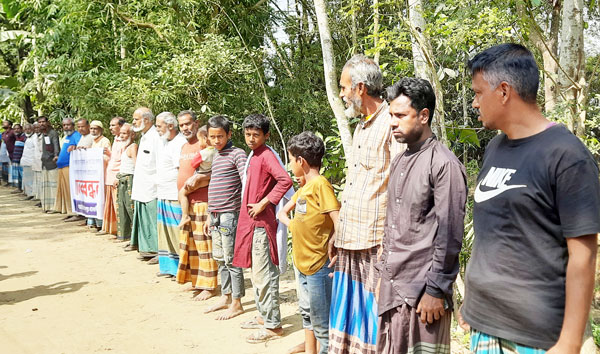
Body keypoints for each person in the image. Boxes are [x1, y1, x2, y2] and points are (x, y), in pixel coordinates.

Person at [459, 43, 600, 354]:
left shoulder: (566, 156)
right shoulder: (496, 148)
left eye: (479, 92)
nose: (474, 102)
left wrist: (570, 342)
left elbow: (584, 257)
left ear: (504, 92)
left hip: (536, 338)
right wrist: (473, 303)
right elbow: (494, 233)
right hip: (486, 325)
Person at [376, 78, 467, 354]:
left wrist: (436, 290)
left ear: (424, 115)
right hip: (393, 291)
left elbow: (450, 235)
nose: (393, 122)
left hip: (423, 297)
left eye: (401, 115)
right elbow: (392, 225)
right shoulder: (399, 160)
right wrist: (382, 272)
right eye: (391, 115)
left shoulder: (444, 164)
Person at [329, 55, 405, 354]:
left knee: (374, 319)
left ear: (360, 88)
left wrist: (392, 241)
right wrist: (339, 231)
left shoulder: (391, 123)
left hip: (375, 242)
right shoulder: (361, 127)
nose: (343, 94)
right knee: (349, 318)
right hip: (351, 238)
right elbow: (357, 184)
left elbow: (400, 185)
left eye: (345, 87)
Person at [277, 131, 340, 354]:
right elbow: (282, 213)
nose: (289, 164)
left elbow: (337, 218)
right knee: (309, 315)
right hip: (301, 264)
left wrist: (334, 238)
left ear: (300, 161)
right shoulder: (304, 189)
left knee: (323, 326)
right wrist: (295, 225)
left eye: (291, 160)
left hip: (319, 266)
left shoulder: (321, 185)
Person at [233, 114, 293, 343]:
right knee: (257, 274)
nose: (250, 138)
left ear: (266, 135)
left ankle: (273, 325)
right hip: (251, 222)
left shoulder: (267, 155)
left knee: (264, 275)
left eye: (255, 135)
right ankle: (263, 315)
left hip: (262, 224)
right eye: (247, 134)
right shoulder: (254, 155)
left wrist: (264, 202)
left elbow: (285, 181)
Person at [201, 115, 247, 320]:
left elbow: (246, 181)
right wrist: (210, 215)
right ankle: (226, 296)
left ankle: (237, 302)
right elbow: (214, 186)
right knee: (220, 259)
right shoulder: (216, 155)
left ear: (229, 134)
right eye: (212, 137)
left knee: (232, 260)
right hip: (216, 215)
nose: (216, 140)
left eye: (220, 136)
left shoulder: (237, 154)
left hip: (231, 215)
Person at [175, 110, 217, 300]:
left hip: (203, 202)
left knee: (205, 246)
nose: (185, 128)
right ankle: (197, 281)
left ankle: (209, 286)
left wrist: (202, 177)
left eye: (188, 123)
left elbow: (218, 172)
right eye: (181, 125)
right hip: (187, 204)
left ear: (196, 123)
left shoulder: (209, 147)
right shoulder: (184, 147)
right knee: (191, 246)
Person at [128, 107, 162, 262]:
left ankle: (158, 251)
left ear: (147, 120)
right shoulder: (144, 137)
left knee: (153, 220)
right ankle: (147, 249)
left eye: (136, 119)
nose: (133, 122)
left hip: (152, 186)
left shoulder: (157, 137)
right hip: (142, 185)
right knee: (144, 219)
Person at [155, 112, 187, 273]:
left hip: (175, 195)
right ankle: (171, 268)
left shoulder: (179, 143)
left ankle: (182, 268)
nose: (157, 129)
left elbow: (181, 170)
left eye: (159, 126)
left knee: (177, 233)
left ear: (170, 126)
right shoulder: (164, 142)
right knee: (166, 233)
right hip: (163, 194)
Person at [177, 126, 215, 229]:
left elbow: (193, 163)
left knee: (182, 193)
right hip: (206, 179)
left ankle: (185, 216)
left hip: (200, 178)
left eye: (199, 140)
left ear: (205, 139)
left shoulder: (203, 153)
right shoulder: (216, 151)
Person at [82, 120, 111, 231]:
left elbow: (108, 157)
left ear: (101, 130)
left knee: (100, 199)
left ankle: (100, 224)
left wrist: (96, 154)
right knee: (92, 197)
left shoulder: (104, 141)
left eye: (96, 128)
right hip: (92, 176)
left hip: (101, 175)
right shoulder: (94, 142)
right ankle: (92, 222)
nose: (93, 131)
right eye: (91, 129)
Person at [99, 117, 126, 236]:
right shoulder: (115, 139)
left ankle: (122, 231)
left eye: (113, 125)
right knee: (110, 205)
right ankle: (111, 229)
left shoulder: (125, 141)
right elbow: (115, 158)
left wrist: (119, 176)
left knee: (118, 205)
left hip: (117, 177)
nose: (110, 128)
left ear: (121, 126)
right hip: (109, 176)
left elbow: (125, 161)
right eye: (110, 125)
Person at [54, 118, 81, 219]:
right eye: (64, 125)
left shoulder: (76, 135)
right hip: (62, 166)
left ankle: (75, 213)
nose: (66, 127)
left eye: (68, 125)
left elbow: (80, 147)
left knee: (71, 190)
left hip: (69, 167)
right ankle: (68, 211)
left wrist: (75, 146)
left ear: (73, 126)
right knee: (65, 191)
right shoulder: (66, 136)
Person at [115, 123, 137, 242]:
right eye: (121, 133)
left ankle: (135, 239)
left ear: (132, 134)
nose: (121, 136)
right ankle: (125, 236)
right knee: (122, 208)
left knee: (131, 208)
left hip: (130, 180)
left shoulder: (133, 147)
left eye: (124, 133)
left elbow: (136, 165)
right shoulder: (125, 147)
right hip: (122, 180)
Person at [39, 116, 60, 213]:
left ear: (48, 122)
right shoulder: (43, 134)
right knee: (46, 186)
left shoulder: (52, 133)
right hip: (44, 163)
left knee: (53, 187)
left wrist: (56, 156)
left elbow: (56, 146)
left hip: (52, 163)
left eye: (43, 122)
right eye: (40, 122)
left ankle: (55, 207)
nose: (41, 124)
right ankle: (47, 206)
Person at [20, 123, 36, 199]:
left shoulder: (34, 137)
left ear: (32, 129)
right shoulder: (27, 138)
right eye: (25, 129)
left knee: (32, 180)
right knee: (27, 179)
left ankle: (33, 194)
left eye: (29, 129)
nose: (27, 130)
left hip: (32, 162)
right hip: (25, 162)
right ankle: (29, 194)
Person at [9, 124, 26, 191]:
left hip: (22, 159)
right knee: (17, 175)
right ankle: (19, 188)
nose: (16, 130)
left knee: (22, 175)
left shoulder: (24, 137)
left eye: (18, 128)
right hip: (15, 158)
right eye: (15, 129)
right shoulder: (16, 137)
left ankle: (24, 189)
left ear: (21, 129)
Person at [32, 123, 44, 203]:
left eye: (38, 127)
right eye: (35, 128)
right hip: (35, 161)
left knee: (42, 181)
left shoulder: (44, 136)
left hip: (43, 162)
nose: (36, 129)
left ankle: (42, 199)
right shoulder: (34, 137)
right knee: (37, 181)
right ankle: (39, 198)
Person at [1, 120, 15, 186]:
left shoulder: (12, 132)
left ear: (9, 125)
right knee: (7, 167)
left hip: (14, 153)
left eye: (5, 123)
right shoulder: (3, 134)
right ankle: (8, 181)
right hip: (6, 154)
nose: (3, 124)